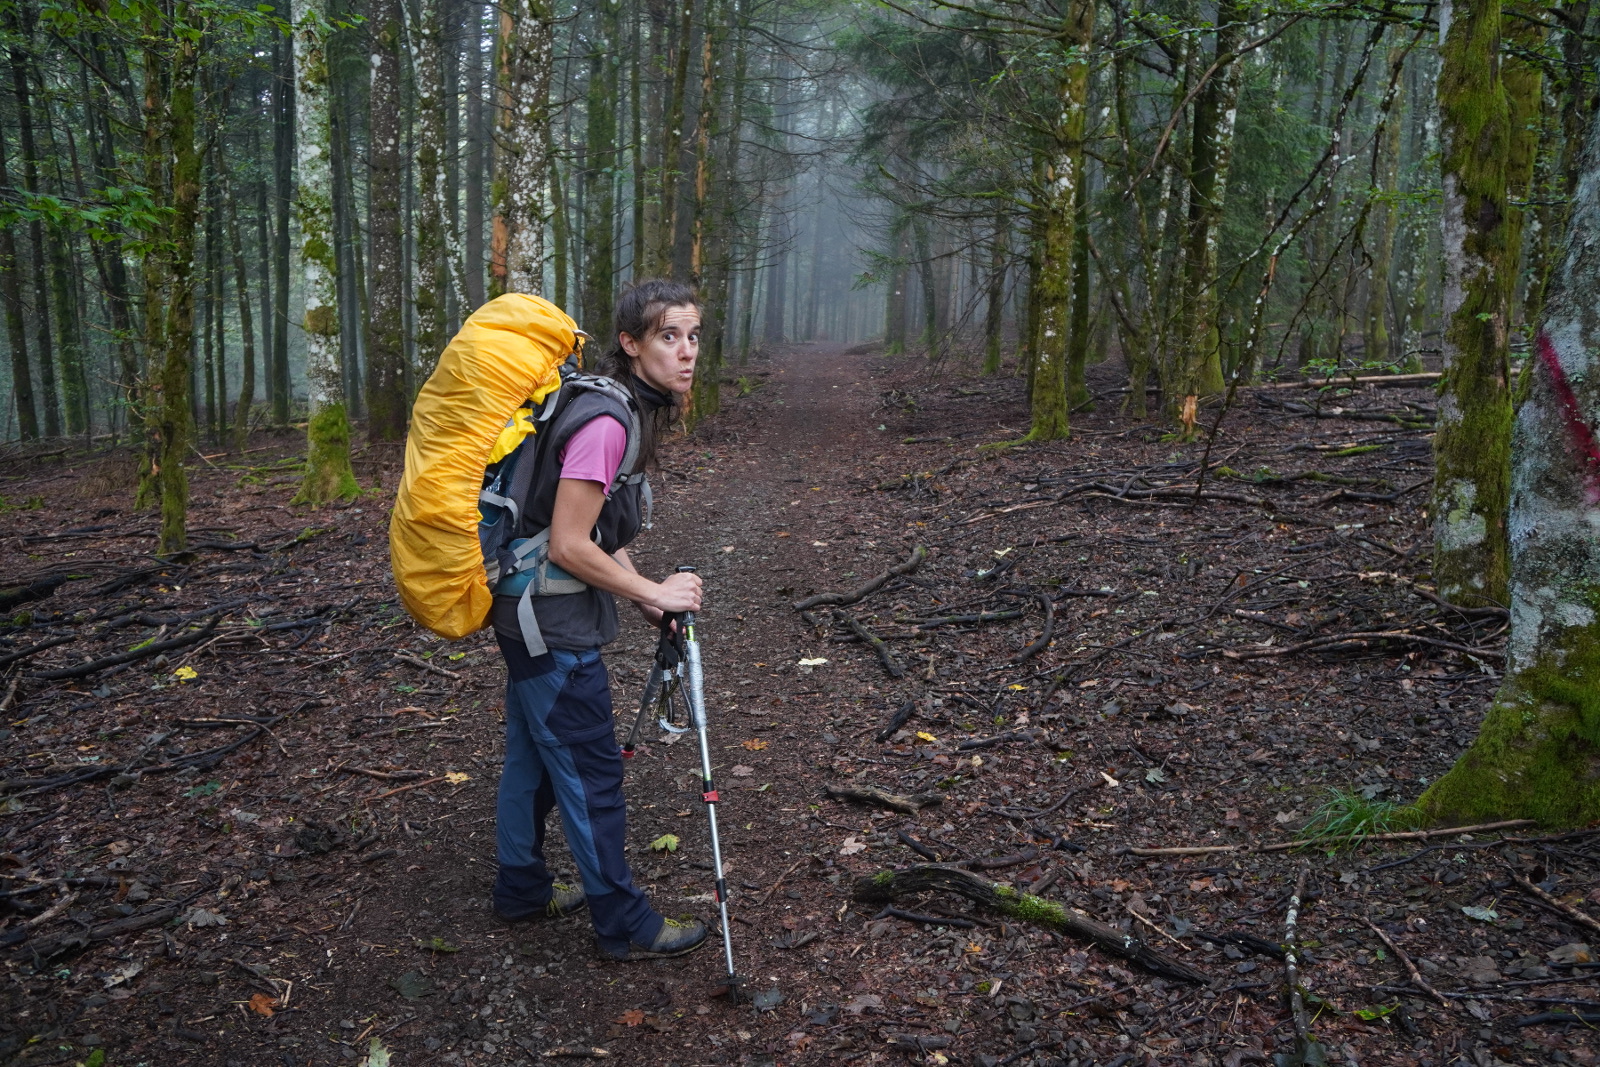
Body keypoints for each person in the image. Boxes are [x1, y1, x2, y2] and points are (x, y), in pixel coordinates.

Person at [489, 279, 707, 961]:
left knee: (535, 758)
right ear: (630, 343)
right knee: (589, 770)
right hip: (547, 622)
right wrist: (656, 590)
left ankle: (521, 888)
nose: (686, 352)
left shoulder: (610, 405)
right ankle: (624, 923)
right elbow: (568, 543)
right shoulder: (609, 422)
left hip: (525, 611)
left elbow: (594, 525)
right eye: (668, 337)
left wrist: (641, 592)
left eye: (694, 336)